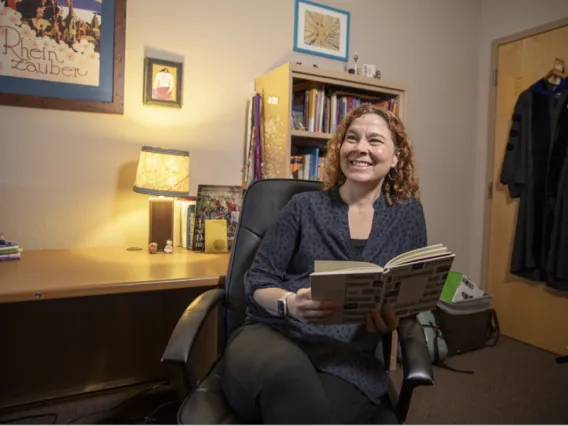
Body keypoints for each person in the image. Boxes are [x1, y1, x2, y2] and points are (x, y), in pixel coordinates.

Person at [220, 103, 427, 424]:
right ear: (340, 148)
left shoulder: (408, 214)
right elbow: (257, 282)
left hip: (347, 355)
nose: (361, 148)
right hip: (276, 335)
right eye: (352, 138)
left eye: (375, 140)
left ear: (397, 157)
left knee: (319, 414)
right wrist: (289, 304)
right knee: (292, 388)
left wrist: (393, 320)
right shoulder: (303, 207)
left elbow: (409, 291)